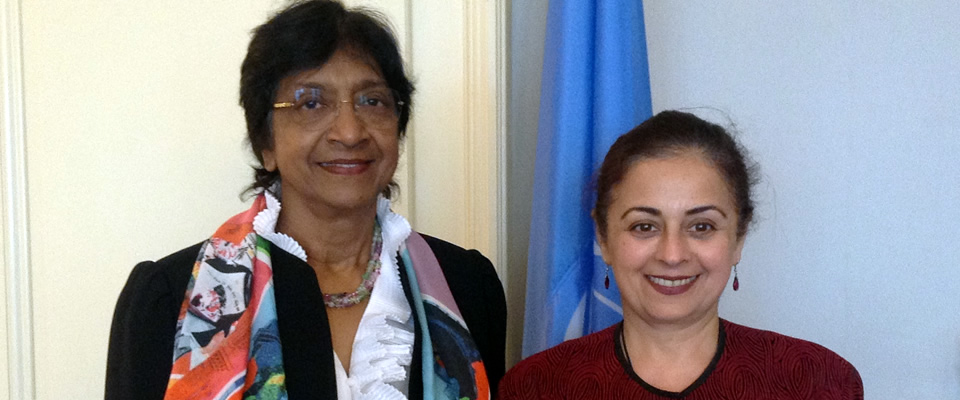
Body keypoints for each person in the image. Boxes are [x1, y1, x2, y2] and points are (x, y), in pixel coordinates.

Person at [105, 1, 506, 399]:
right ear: (266, 143)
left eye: (373, 101)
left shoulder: (467, 286)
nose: (350, 132)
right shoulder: (169, 298)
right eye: (311, 102)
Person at [499, 111, 862, 399]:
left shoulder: (818, 382)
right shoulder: (536, 387)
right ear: (604, 237)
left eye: (701, 227)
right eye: (644, 226)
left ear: (738, 238)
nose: (672, 255)